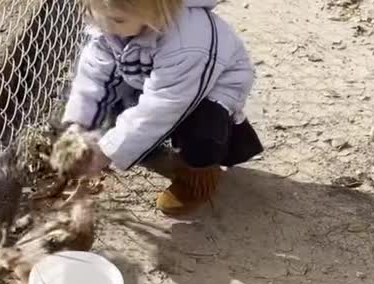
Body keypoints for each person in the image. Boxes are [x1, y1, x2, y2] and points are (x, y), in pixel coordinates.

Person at [61, 0, 263, 215]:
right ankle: (146, 146)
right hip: (153, 79)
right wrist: (80, 125)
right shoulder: (112, 24)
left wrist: (106, 152)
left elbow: (164, 106)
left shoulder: (188, 42)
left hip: (209, 91)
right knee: (113, 113)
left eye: (117, 19)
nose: (103, 25)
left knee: (201, 134)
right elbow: (94, 77)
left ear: (157, 16)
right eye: (93, 13)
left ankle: (197, 178)